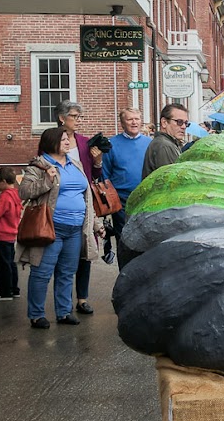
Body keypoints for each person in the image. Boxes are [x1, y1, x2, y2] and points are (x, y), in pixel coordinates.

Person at [19, 128, 104, 329]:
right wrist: (47, 179)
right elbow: (24, 192)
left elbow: (87, 197)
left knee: (67, 272)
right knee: (42, 272)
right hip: (51, 227)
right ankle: (36, 314)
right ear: (52, 142)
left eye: (68, 139)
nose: (68, 142)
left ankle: (64, 312)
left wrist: (96, 224)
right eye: (64, 139)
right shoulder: (39, 165)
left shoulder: (76, 164)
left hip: (75, 229)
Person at [54, 100, 101, 315]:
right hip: (60, 205)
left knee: (86, 250)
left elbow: (96, 176)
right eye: (75, 116)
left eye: (80, 117)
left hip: (85, 203)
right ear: (62, 118)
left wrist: (98, 161)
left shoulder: (84, 142)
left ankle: (82, 298)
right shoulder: (51, 139)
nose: (78, 121)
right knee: (60, 255)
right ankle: (62, 302)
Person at [101, 108, 152, 265]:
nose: (134, 122)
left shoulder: (150, 143)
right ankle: (125, 273)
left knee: (146, 239)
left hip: (146, 199)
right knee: (124, 240)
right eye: (130, 119)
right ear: (122, 123)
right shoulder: (111, 145)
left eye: (137, 119)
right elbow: (105, 175)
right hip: (122, 201)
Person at [0, 167, 22, 302]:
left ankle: (4, 292)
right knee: (11, 264)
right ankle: (14, 289)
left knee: (3, 265)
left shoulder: (4, 197)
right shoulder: (15, 194)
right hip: (11, 233)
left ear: (3, 181)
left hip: (1, 234)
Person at [142, 103, 189, 179]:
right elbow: (172, 180)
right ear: (164, 122)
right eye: (179, 122)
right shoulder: (164, 145)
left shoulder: (169, 143)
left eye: (186, 123)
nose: (183, 127)